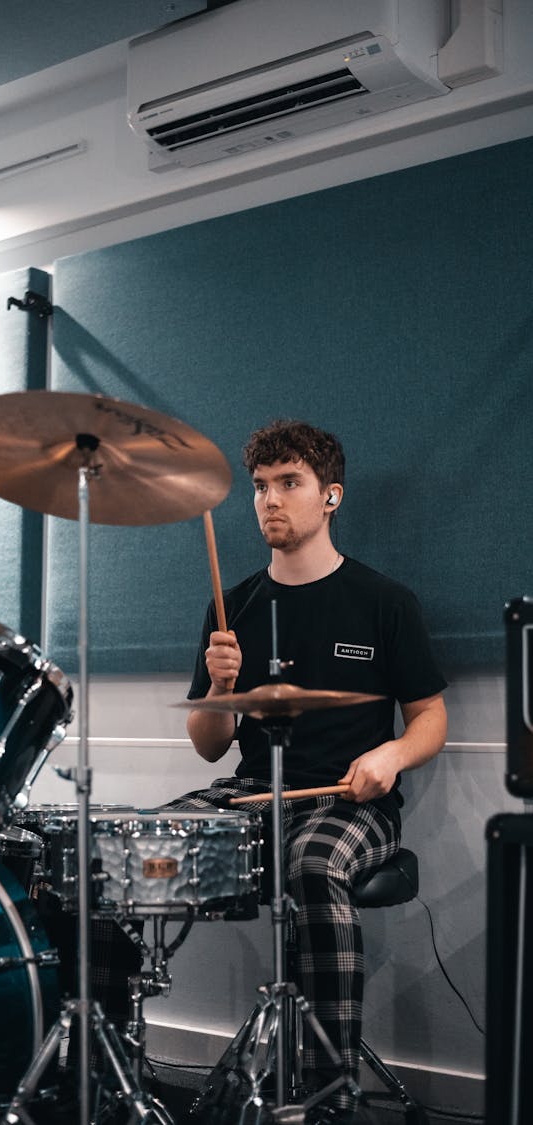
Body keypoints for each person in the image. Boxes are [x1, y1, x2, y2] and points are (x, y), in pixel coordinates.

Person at [182, 419, 447, 1123]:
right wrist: (216, 686)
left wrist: (389, 754)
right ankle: (110, 1057)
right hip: (250, 794)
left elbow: (430, 717)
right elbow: (209, 747)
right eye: (261, 486)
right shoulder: (229, 606)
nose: (270, 498)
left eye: (289, 482)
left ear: (330, 495)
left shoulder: (385, 602)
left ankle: (329, 1089)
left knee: (312, 861)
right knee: (131, 840)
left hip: (349, 801)